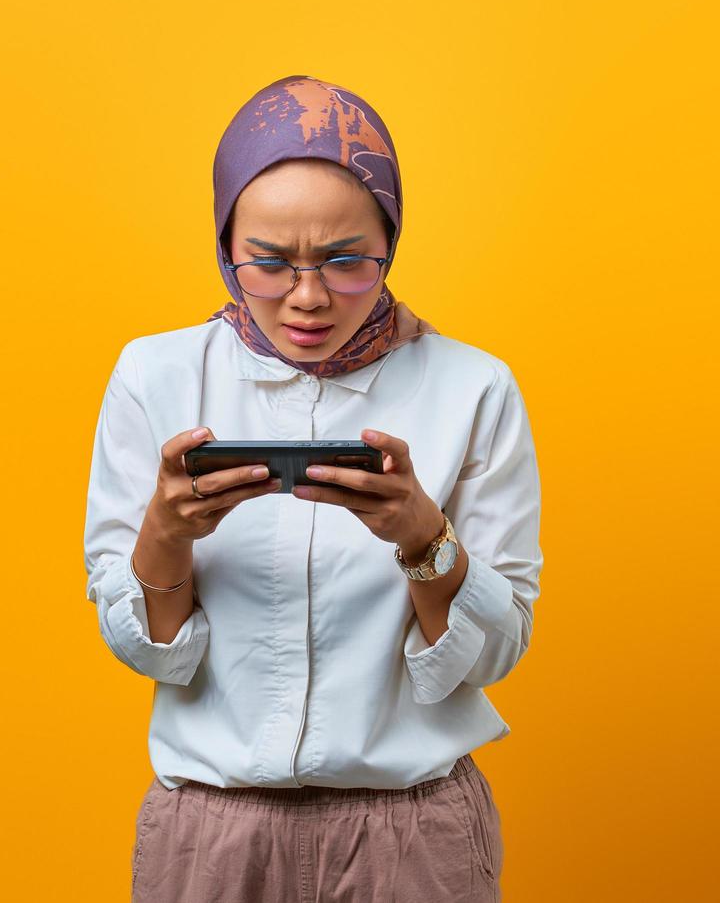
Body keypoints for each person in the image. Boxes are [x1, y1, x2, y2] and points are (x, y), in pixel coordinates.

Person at [84, 74, 544, 902]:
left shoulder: (473, 387)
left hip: (412, 835)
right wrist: (166, 533)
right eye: (268, 262)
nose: (307, 296)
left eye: (346, 261)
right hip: (212, 839)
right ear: (227, 246)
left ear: (390, 244)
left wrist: (422, 539)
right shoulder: (153, 375)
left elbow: (497, 651)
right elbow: (139, 647)